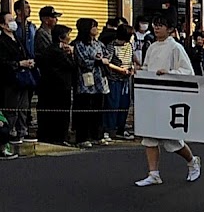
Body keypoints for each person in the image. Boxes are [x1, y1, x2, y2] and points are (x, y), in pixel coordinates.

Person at [135, 15, 202, 186]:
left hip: (169, 98)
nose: (157, 28)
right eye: (155, 25)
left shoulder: (175, 47)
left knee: (172, 140)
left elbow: (188, 71)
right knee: (149, 136)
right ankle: (153, 173)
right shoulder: (152, 47)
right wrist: (140, 71)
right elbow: (147, 67)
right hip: (152, 96)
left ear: (170, 29)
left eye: (161, 25)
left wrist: (169, 73)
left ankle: (192, 160)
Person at [0, 8, 36, 145]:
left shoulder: (18, 38)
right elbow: (3, 62)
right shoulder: (2, 41)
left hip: (24, 78)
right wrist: (18, 63)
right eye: (9, 21)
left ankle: (23, 130)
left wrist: (29, 61)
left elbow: (26, 53)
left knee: (24, 106)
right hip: (10, 79)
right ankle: (11, 131)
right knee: (11, 107)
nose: (13, 23)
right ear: (2, 25)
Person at [73, 18, 111, 148]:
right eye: (93, 26)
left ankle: (97, 135)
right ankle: (82, 137)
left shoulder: (99, 43)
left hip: (100, 80)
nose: (96, 29)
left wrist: (102, 60)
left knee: (98, 110)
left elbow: (107, 55)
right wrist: (98, 61)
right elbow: (83, 61)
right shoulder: (79, 44)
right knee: (85, 110)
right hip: (86, 81)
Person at [35, 23, 74, 145]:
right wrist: (71, 55)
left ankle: (49, 137)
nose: (69, 37)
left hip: (49, 88)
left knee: (50, 114)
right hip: (59, 88)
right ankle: (59, 137)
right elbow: (71, 66)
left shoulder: (50, 50)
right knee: (60, 115)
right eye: (68, 35)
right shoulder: (58, 52)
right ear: (61, 38)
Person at [102, 24, 134, 141]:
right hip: (114, 80)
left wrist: (133, 69)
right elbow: (107, 62)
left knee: (124, 105)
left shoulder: (129, 45)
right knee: (112, 105)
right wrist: (120, 70)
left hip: (126, 80)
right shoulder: (111, 46)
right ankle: (109, 129)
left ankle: (120, 128)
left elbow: (132, 59)